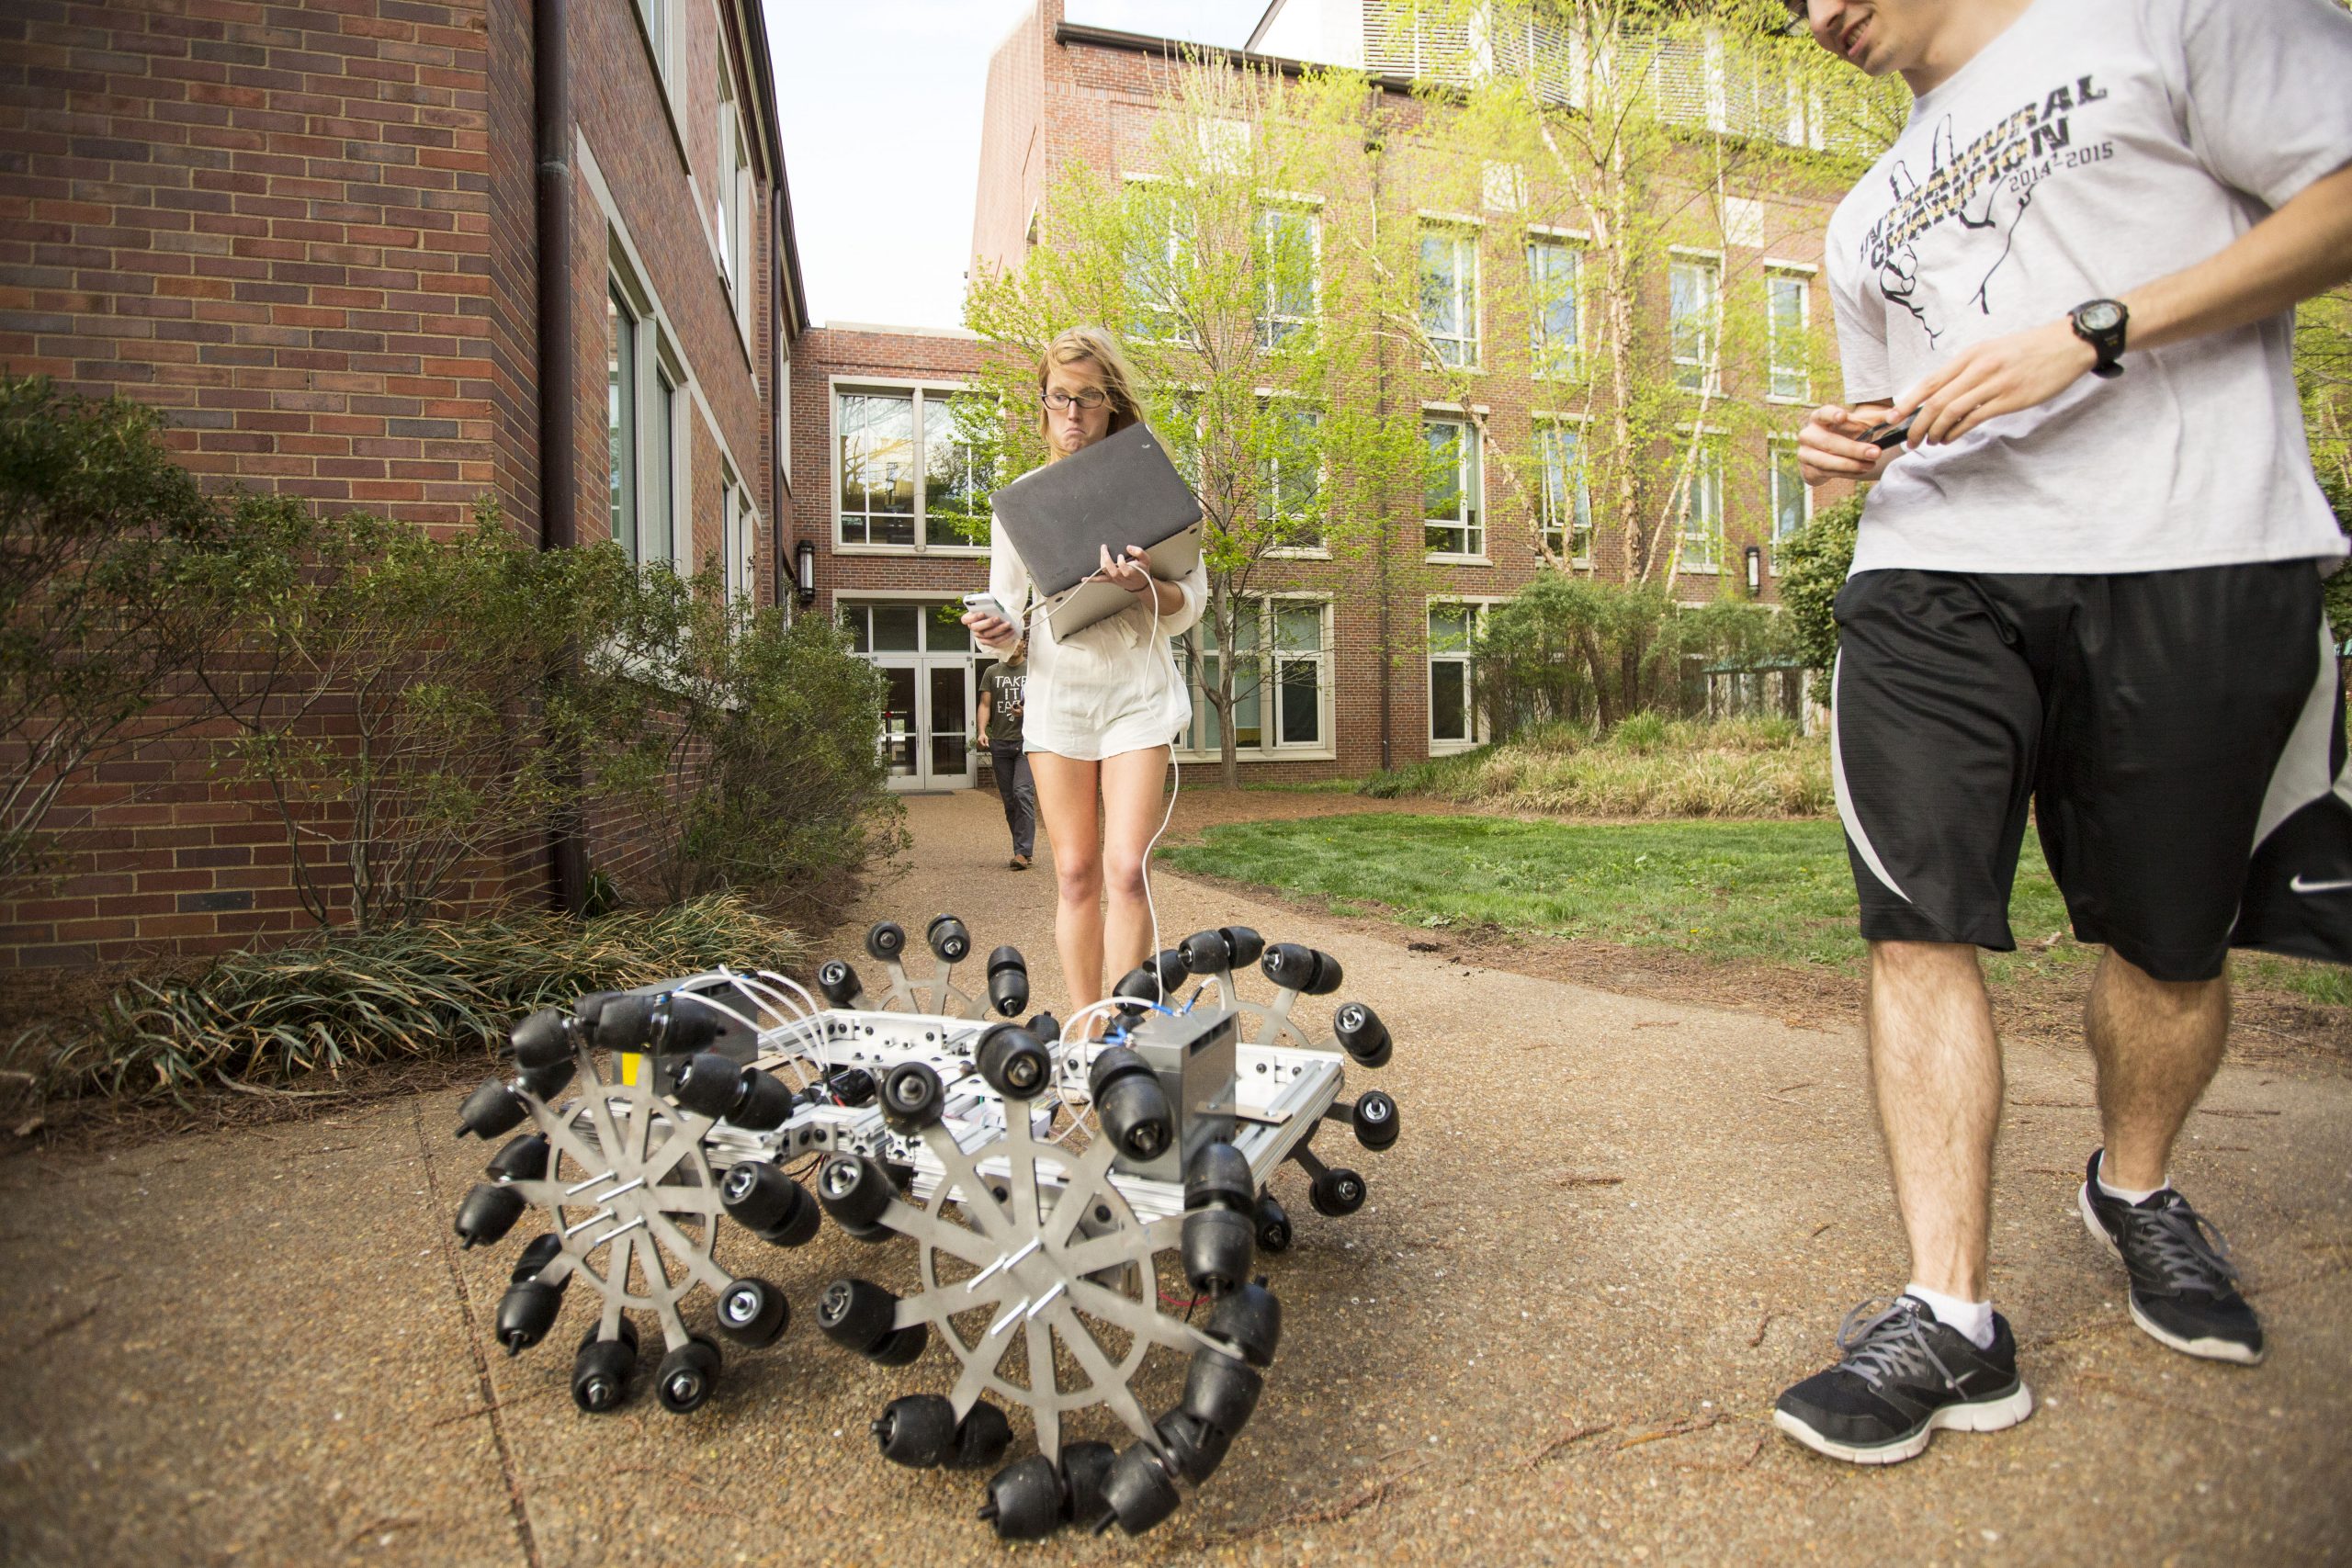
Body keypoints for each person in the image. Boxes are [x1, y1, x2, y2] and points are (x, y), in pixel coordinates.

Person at [1774, 0, 2352, 1466]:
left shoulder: (2174, 14)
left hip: (2192, 542)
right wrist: (1844, 445)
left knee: (2170, 942)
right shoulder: (1860, 216)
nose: (1813, 14)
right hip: (1929, 570)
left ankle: (2138, 1186)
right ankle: (1949, 1311)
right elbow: (1884, 408)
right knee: (1915, 918)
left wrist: (2098, 330)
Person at [961, 325, 1207, 1028]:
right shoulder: (1020, 506)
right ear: (1042, 403)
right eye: (1060, 398)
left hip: (1136, 695)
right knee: (1073, 873)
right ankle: (1086, 1030)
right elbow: (1011, 615)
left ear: (1112, 404)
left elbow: (1192, 604)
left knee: (1126, 869)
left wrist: (1141, 587)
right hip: (1059, 699)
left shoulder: (1149, 480)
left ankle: (1127, 1034)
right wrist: (999, 631)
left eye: (1089, 399)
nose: (1073, 415)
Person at [976, 637, 1036, 870]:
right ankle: (1021, 849)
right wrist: (982, 731)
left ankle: (1023, 852)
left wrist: (1027, 711)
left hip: (1027, 742)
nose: (1013, 645)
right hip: (1000, 743)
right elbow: (985, 704)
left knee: (1022, 792)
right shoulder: (992, 671)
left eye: (1017, 640)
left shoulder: (1033, 670)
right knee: (1010, 801)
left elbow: (1046, 701)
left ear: (1023, 643)